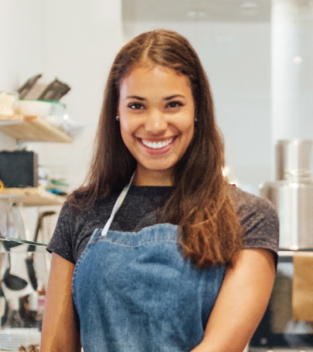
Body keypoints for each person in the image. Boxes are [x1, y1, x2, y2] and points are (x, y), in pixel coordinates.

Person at [41, 30, 279, 352]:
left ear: (197, 109)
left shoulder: (248, 216)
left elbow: (221, 347)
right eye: (137, 105)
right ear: (118, 112)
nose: (155, 125)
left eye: (173, 105)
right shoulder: (81, 210)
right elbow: (57, 349)